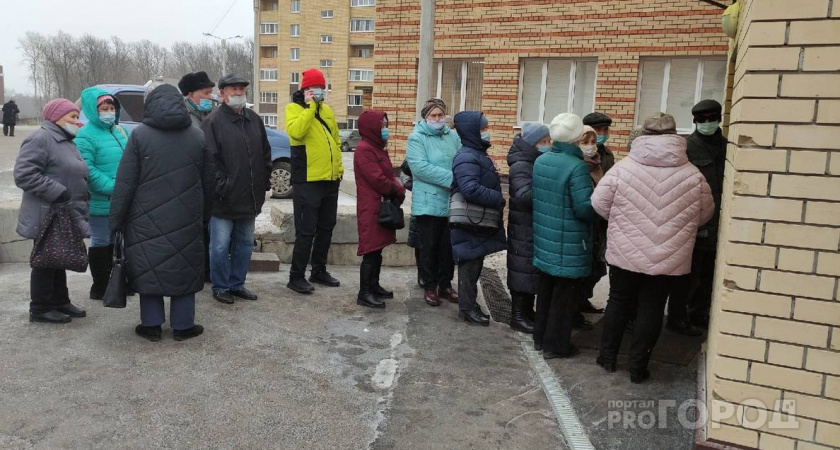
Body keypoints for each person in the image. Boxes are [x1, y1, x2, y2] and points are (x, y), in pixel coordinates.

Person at [592, 113, 714, 383]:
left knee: (619, 301)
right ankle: (638, 368)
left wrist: (623, 220)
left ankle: (607, 358)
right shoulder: (693, 174)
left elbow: (599, 203)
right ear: (675, 136)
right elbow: (705, 214)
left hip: (625, 252)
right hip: (668, 259)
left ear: (644, 136)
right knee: (653, 308)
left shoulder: (623, 169)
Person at [110, 83, 213, 341]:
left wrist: (116, 220)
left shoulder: (140, 135)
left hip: (144, 218)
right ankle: (183, 326)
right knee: (183, 268)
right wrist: (204, 215)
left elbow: (125, 182)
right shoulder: (198, 135)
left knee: (149, 267)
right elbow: (209, 182)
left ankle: (152, 325)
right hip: (187, 217)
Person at [14, 98, 89, 323]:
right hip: (46, 213)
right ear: (57, 117)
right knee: (46, 260)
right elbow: (24, 174)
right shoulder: (41, 138)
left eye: (77, 117)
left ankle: (59, 301)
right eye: (73, 117)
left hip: (62, 212)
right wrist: (57, 190)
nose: (77, 121)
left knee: (58, 257)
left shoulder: (66, 139)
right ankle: (40, 307)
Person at [531, 113, 598, 359]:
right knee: (564, 296)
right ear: (577, 137)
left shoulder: (542, 161)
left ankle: (540, 338)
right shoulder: (577, 167)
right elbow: (584, 208)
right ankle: (557, 345)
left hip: (546, 237)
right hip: (569, 240)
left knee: (547, 291)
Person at [201, 74, 271, 304]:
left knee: (243, 245)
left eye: (241, 89)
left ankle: (237, 283)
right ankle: (220, 286)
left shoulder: (253, 119)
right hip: (223, 200)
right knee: (219, 246)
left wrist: (264, 181)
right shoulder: (213, 122)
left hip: (249, 197)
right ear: (222, 94)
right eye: (234, 89)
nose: (239, 93)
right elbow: (209, 161)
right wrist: (223, 186)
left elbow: (265, 153)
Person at [666, 100, 727, 335]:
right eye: (701, 120)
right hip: (695, 223)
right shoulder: (688, 148)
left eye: (711, 119)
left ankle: (698, 313)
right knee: (688, 276)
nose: (707, 123)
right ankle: (677, 317)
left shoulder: (726, 146)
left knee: (709, 274)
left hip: (719, 222)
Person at [285, 68, 345, 294]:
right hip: (307, 179)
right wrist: (309, 108)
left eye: (321, 88)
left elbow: (336, 141)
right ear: (305, 90)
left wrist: (338, 170)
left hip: (330, 179)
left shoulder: (327, 110)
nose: (318, 91)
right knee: (306, 230)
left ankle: (318, 270)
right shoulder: (294, 108)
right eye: (314, 88)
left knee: (326, 227)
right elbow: (297, 132)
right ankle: (296, 276)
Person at [450, 111, 507, 326]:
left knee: (473, 264)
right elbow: (469, 188)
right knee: (469, 265)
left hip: (476, 222)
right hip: (470, 222)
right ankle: (467, 309)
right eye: (483, 129)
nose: (487, 132)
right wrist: (498, 198)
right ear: (472, 131)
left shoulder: (476, 154)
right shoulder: (467, 156)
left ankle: (469, 305)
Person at [405, 98, 461, 307]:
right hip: (428, 201)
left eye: (440, 115)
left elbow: (461, 159)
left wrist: (462, 177)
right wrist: (453, 179)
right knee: (429, 247)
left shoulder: (452, 136)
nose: (437, 119)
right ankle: (430, 286)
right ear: (426, 117)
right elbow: (420, 168)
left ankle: (445, 284)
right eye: (433, 116)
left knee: (448, 247)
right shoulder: (416, 138)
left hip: (451, 201)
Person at [76, 87, 129, 300]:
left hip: (122, 197)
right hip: (102, 198)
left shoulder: (119, 131)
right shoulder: (85, 135)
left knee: (117, 242)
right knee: (101, 241)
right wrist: (114, 187)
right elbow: (87, 170)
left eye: (111, 107)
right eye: (103, 108)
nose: (108, 111)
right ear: (92, 110)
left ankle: (116, 281)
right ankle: (99, 286)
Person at [353, 110, 406, 309]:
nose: (385, 129)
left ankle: (374, 286)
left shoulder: (377, 148)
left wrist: (394, 187)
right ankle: (364, 292)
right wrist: (397, 189)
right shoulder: (364, 149)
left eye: (386, 125)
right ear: (371, 127)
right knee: (370, 251)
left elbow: (387, 174)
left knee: (377, 249)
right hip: (372, 207)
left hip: (381, 205)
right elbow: (378, 179)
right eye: (382, 125)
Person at [506, 122, 551, 334]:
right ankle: (517, 315)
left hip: (529, 224)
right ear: (533, 143)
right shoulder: (522, 164)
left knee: (529, 270)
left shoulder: (532, 161)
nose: (548, 145)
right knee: (521, 269)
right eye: (544, 142)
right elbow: (523, 197)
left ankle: (526, 312)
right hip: (523, 225)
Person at [179, 70, 217, 283]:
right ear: (191, 94)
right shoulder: (183, 116)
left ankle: (205, 270)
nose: (210, 96)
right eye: (206, 92)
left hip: (206, 178)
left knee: (205, 228)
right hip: (190, 180)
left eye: (211, 92)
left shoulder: (207, 114)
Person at [574, 126, 609, 332]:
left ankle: (583, 300)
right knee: (583, 271)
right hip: (586, 223)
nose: (590, 147)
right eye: (584, 142)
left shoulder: (597, 164)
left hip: (599, 225)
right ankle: (575, 309)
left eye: (592, 142)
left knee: (596, 269)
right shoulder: (578, 166)